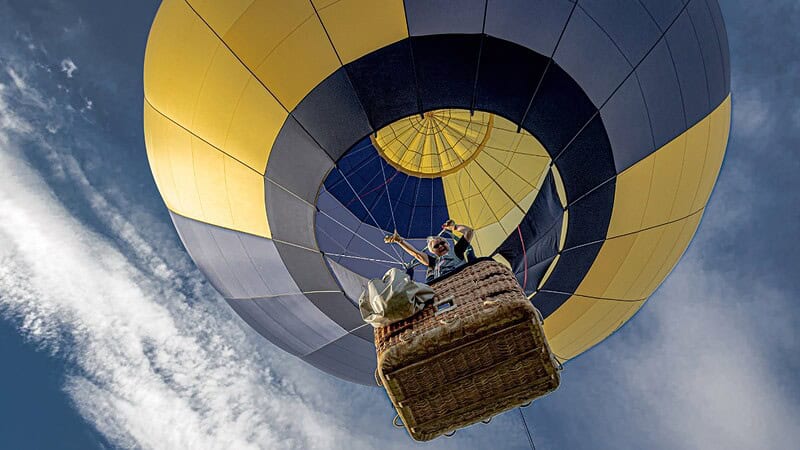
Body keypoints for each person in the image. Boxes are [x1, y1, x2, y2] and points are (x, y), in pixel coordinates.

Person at [385, 219, 475, 282]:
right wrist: (400, 241)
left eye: (442, 243)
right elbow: (417, 254)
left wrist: (454, 227)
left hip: (463, 279)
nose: (440, 246)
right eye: (436, 246)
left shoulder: (456, 251)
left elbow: (469, 232)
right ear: (433, 251)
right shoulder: (433, 262)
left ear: (448, 244)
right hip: (446, 285)